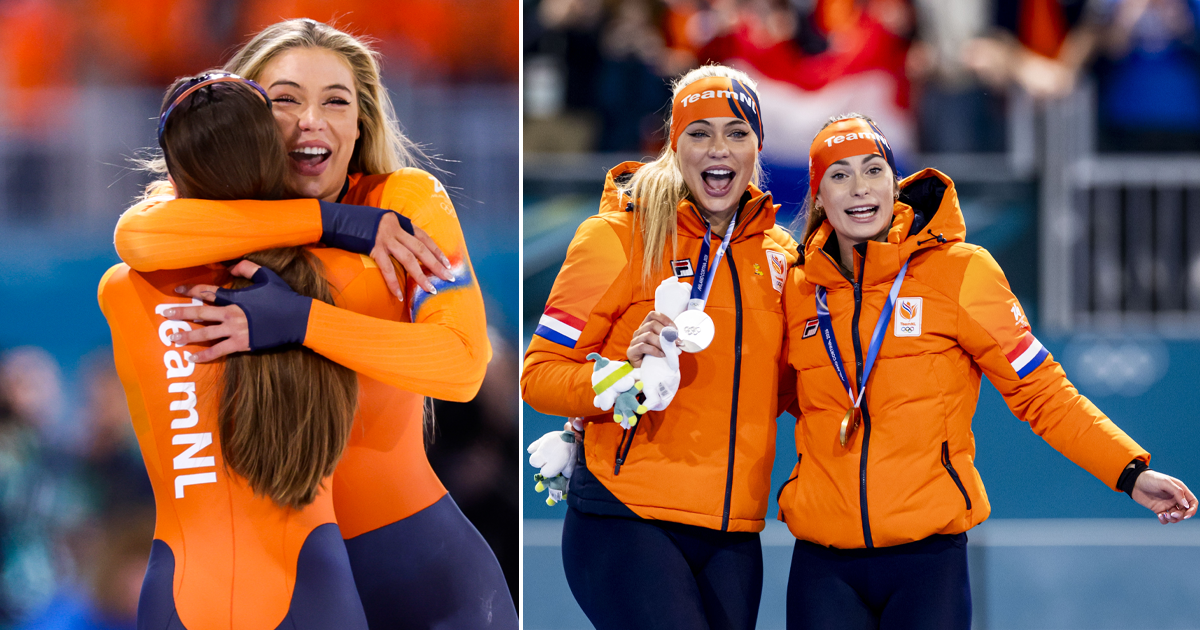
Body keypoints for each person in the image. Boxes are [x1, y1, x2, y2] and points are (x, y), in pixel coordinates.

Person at [112, 19, 515, 629]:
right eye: (285, 100)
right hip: (283, 576)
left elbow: (460, 367)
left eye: (336, 101)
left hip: (422, 568)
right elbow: (136, 237)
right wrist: (328, 223)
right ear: (245, 116)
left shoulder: (402, 202)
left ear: (361, 125)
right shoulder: (194, 222)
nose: (311, 120)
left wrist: (302, 321)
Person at [777, 113, 1197, 629]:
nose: (859, 188)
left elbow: (1042, 392)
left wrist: (1129, 471)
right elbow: (757, 390)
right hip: (822, 566)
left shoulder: (961, 271)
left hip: (927, 563)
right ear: (819, 195)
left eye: (872, 169)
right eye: (839, 175)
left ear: (895, 181)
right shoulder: (796, 290)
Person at [522, 64, 799, 630]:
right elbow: (539, 375)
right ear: (674, 145)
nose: (718, 148)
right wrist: (619, 375)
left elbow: (790, 389)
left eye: (736, 132)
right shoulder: (619, 235)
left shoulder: (783, 257)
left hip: (733, 533)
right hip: (626, 516)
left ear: (758, 146)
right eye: (699, 133)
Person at [100, 72, 370, 628]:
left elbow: (146, 230)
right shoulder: (338, 275)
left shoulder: (124, 290)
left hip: (185, 588)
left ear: (174, 173)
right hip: (318, 585)